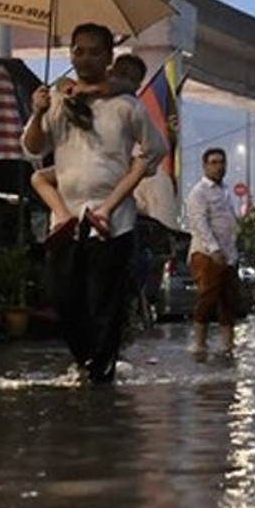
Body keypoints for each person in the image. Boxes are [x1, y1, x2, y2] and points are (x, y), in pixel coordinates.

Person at [21, 22, 167, 384]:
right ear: (71, 55)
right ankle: (89, 362)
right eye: (78, 51)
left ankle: (99, 380)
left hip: (113, 221)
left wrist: (127, 185)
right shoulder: (58, 102)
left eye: (93, 52)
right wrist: (38, 111)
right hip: (67, 219)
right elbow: (33, 148)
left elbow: (155, 149)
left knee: (105, 304)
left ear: (108, 58)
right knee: (62, 298)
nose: (85, 58)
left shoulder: (125, 106)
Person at [29, 53, 148, 240]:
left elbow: (121, 86)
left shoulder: (129, 105)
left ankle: (104, 212)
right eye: (120, 72)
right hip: (77, 168)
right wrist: (68, 89)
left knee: (140, 166)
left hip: (113, 171)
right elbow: (63, 82)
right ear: (110, 70)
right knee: (38, 177)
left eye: (131, 77)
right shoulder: (84, 94)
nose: (123, 79)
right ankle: (62, 215)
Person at [185, 147, 240, 358]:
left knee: (228, 300)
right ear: (205, 165)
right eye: (214, 162)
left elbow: (229, 222)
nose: (219, 167)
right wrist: (214, 249)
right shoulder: (198, 192)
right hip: (206, 253)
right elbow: (200, 223)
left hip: (228, 255)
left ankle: (228, 346)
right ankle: (200, 344)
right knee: (207, 298)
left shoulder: (225, 191)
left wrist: (232, 252)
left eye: (221, 162)